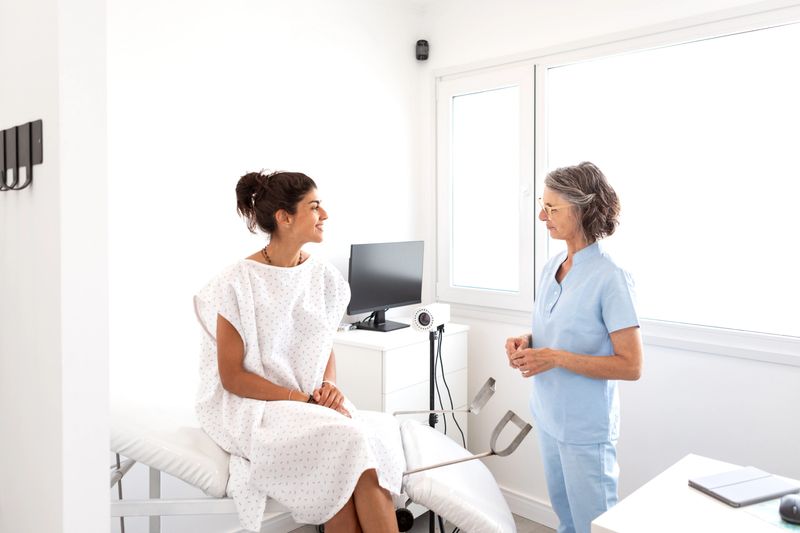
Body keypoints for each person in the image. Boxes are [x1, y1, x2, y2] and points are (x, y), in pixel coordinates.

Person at [193, 170, 403, 533]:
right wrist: (299, 399)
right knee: (347, 443)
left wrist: (327, 385)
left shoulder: (323, 277)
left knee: (365, 452)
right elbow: (232, 377)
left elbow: (323, 347)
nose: (325, 215)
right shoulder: (234, 283)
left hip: (307, 400)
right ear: (284, 217)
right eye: (315, 207)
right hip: (253, 406)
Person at [505, 162, 643, 533]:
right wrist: (528, 343)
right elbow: (562, 330)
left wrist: (554, 357)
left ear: (580, 209)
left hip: (585, 427)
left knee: (593, 524)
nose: (541, 215)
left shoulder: (611, 278)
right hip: (549, 415)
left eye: (551, 208)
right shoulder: (553, 266)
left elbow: (631, 365)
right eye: (542, 205)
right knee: (566, 520)